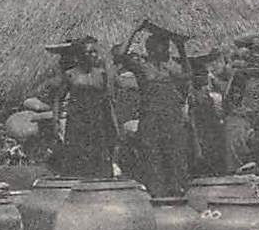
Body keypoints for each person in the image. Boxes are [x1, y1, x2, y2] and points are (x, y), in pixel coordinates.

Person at [118, 27, 190, 197]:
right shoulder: (142, 67)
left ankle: (175, 197)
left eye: (167, 46)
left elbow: (187, 75)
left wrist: (181, 47)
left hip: (171, 119)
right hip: (151, 120)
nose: (167, 49)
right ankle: (157, 198)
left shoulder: (168, 69)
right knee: (153, 160)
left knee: (175, 159)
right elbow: (121, 55)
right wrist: (134, 31)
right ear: (151, 49)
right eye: (163, 46)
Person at [55, 37, 116, 179]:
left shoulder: (101, 74)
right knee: (77, 159)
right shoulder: (70, 75)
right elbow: (58, 98)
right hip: (77, 122)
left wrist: (113, 126)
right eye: (89, 52)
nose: (94, 55)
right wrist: (56, 123)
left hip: (97, 121)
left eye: (95, 52)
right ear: (79, 55)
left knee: (99, 159)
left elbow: (108, 101)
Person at [187, 48, 228, 177]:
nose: (206, 78)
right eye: (201, 75)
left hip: (210, 128)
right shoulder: (191, 96)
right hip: (198, 128)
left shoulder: (210, 95)